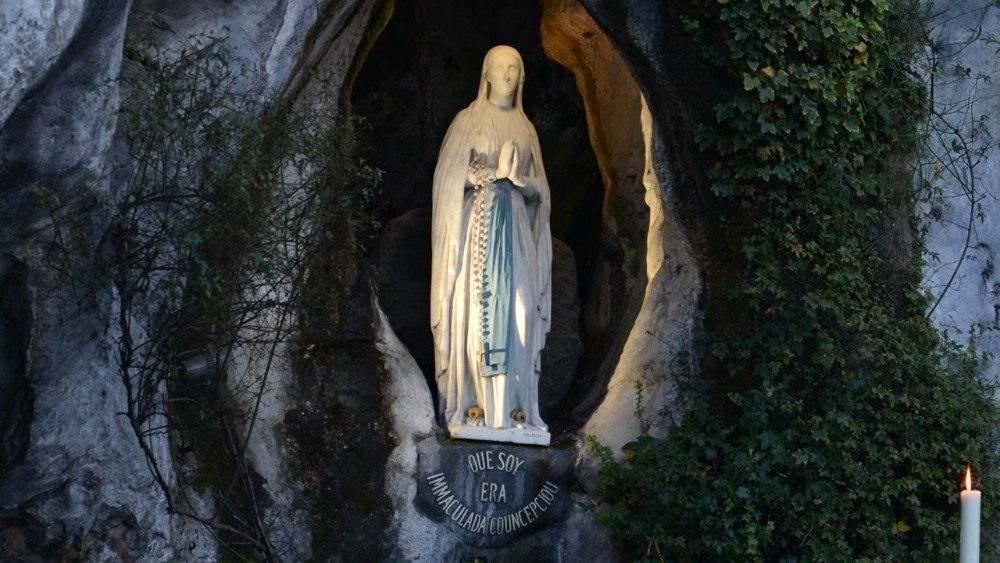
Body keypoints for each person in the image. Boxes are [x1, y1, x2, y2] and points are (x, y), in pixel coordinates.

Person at [430, 45, 552, 434]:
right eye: (500, 67)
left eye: (514, 68)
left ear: (522, 76)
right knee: (476, 313)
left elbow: (541, 193)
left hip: (516, 233)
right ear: (485, 73)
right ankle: (476, 407)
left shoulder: (527, 130)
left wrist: (517, 180)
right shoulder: (468, 121)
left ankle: (516, 409)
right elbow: (447, 178)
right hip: (478, 233)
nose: (507, 74)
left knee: (521, 312)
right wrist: (488, 175)